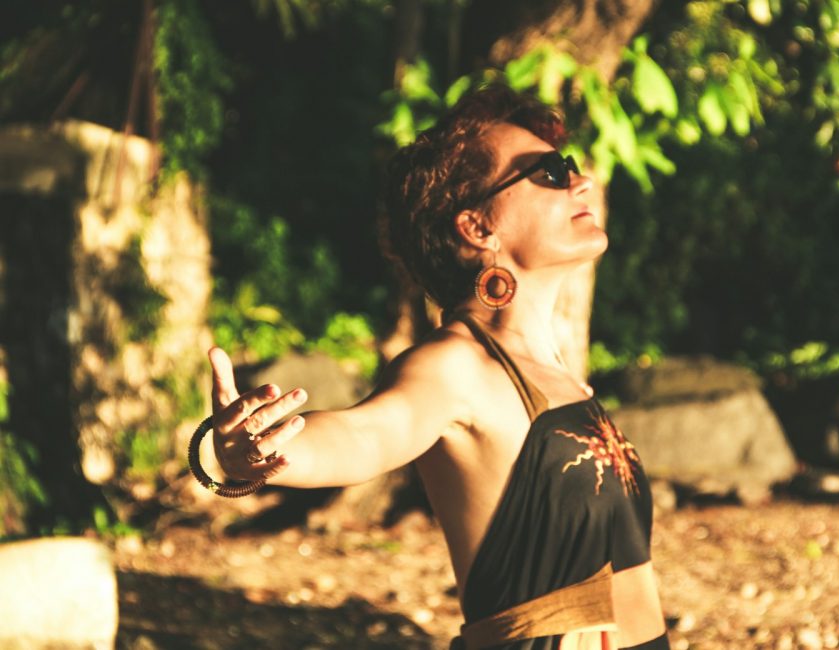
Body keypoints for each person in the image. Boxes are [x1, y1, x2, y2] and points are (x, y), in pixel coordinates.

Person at [196, 84, 670, 649]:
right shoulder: (454, 366)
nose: (581, 180)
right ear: (477, 227)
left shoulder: (557, 374)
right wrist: (244, 451)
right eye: (549, 172)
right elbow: (365, 433)